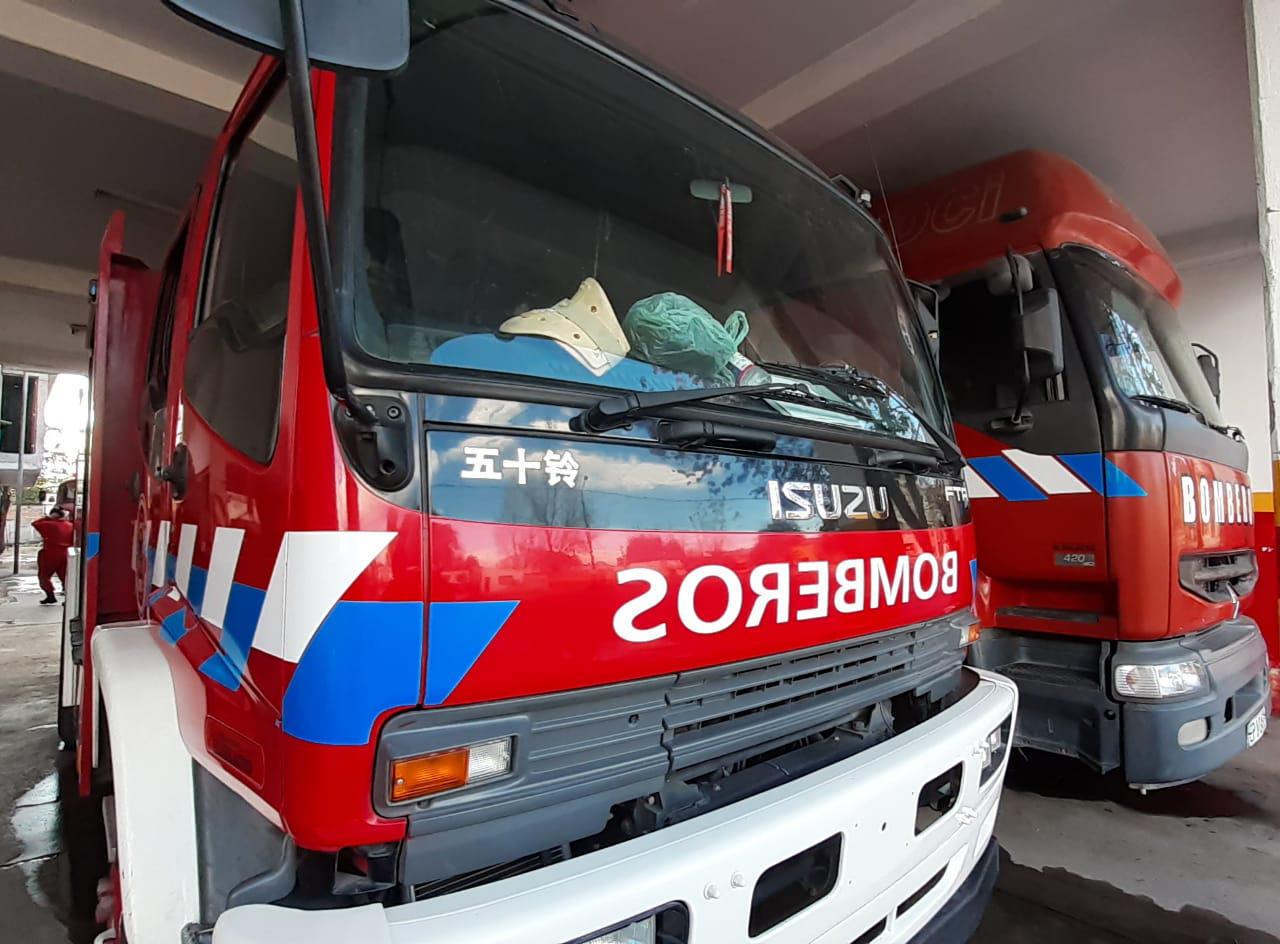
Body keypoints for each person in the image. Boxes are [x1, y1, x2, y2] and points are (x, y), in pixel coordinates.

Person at [33, 506, 74, 605]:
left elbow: (35, 523)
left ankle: (50, 595)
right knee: (66, 577)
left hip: (51, 553)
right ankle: (69, 599)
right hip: (67, 553)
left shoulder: (48, 524)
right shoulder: (70, 525)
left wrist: (48, 518)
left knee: (44, 575)